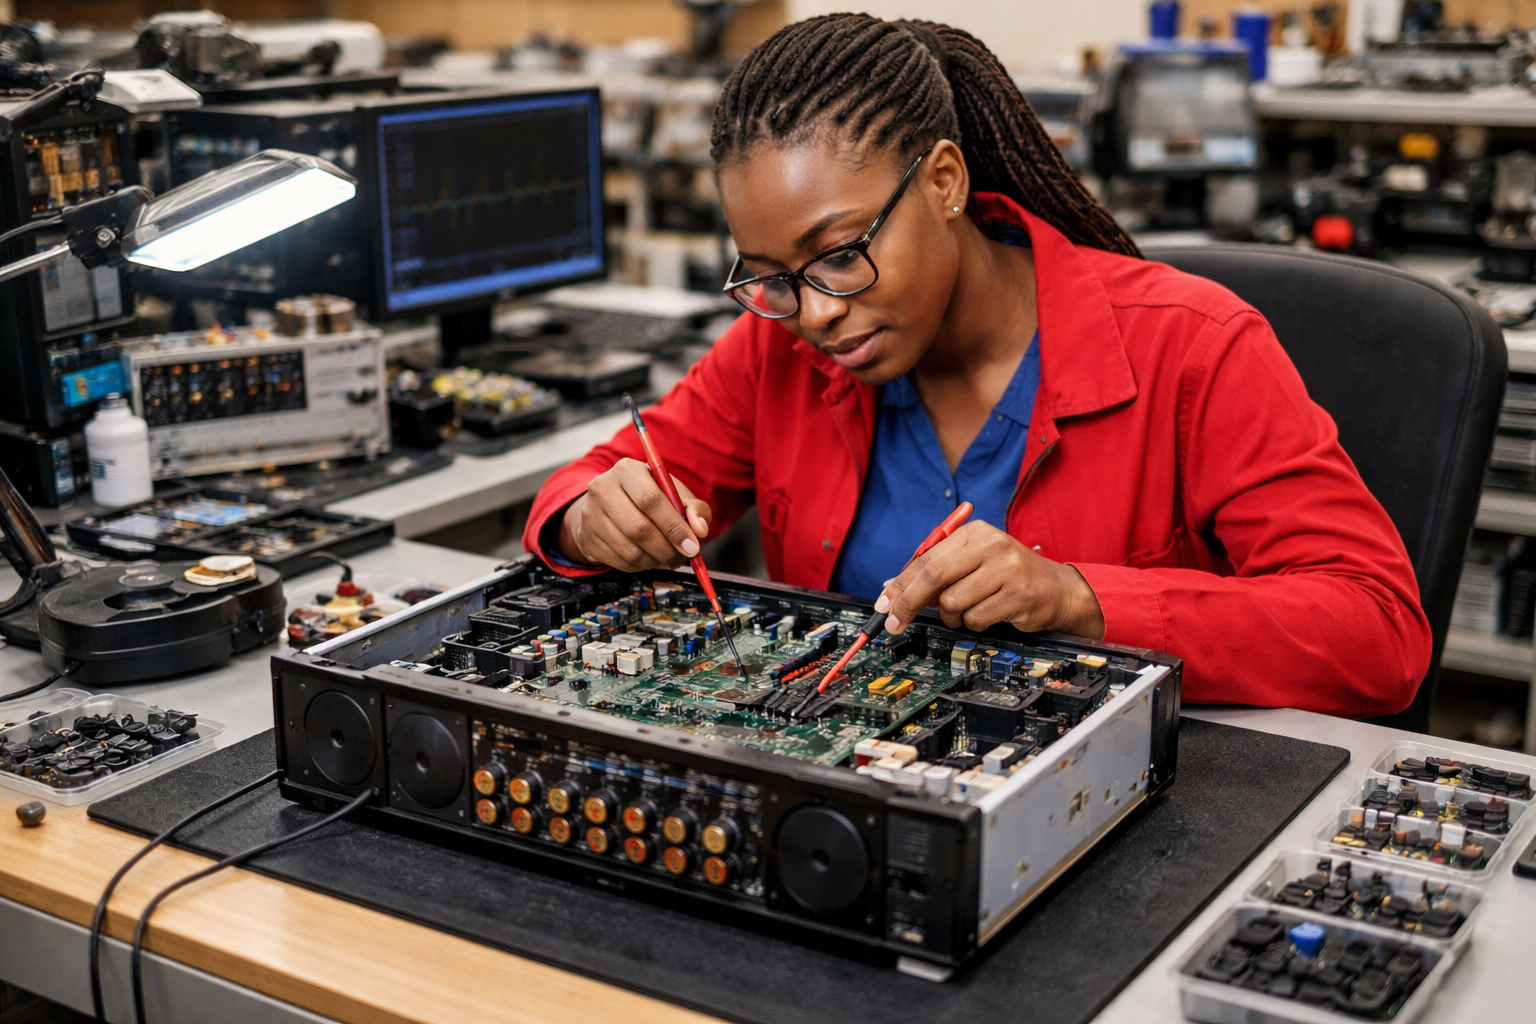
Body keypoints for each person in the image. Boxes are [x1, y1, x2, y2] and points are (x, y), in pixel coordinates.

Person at [522, 14, 1430, 717]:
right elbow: (607, 476)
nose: (818, 311)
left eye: (841, 252)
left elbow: (1377, 634)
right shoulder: (780, 344)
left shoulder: (1192, 345)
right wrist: (585, 518)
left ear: (946, 182)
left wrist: (1081, 599)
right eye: (770, 277)